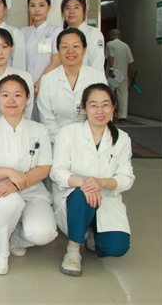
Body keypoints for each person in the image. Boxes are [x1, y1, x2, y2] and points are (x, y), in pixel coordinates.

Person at [0, 75, 57, 275]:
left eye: (17, 95)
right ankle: (1, 251)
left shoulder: (39, 130)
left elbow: (44, 168)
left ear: (27, 98)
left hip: (31, 190)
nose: (11, 100)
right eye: (5, 95)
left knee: (44, 234)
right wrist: (9, 173)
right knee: (9, 202)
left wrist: (16, 184)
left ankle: (15, 238)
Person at [51, 83, 134, 276]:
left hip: (106, 198)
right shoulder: (68, 133)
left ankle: (92, 234)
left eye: (105, 105)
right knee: (82, 195)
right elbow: (57, 171)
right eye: (94, 105)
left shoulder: (122, 139)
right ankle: (73, 252)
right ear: (84, 108)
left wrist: (101, 183)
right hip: (75, 197)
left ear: (113, 107)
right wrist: (86, 184)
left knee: (116, 248)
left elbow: (126, 178)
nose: (100, 111)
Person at [37, 28, 107, 143]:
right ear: (58, 50)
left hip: (91, 142)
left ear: (84, 49)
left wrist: (87, 141)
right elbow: (47, 119)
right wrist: (65, 142)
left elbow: (104, 112)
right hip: (57, 143)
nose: (70, 51)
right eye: (65, 47)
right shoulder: (48, 80)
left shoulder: (97, 77)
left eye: (76, 46)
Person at [21, 0, 61, 120]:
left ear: (49, 7)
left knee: (47, 123)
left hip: (46, 87)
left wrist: (37, 85)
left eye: (42, 5)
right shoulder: (23, 32)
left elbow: (56, 62)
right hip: (26, 89)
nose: (37, 9)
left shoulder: (56, 31)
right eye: (33, 5)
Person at [61, 0, 105, 71]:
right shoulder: (61, 35)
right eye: (67, 8)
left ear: (85, 11)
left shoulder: (93, 33)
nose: (71, 11)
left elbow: (97, 64)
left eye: (76, 8)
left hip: (88, 78)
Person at [106, 29, 135, 122]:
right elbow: (131, 61)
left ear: (111, 36)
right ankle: (122, 117)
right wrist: (133, 73)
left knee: (110, 95)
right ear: (119, 36)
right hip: (123, 75)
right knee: (123, 96)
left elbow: (111, 56)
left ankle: (109, 116)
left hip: (114, 75)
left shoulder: (110, 44)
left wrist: (111, 69)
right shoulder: (126, 46)